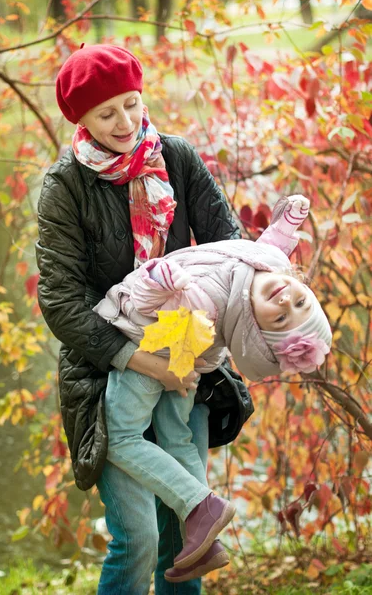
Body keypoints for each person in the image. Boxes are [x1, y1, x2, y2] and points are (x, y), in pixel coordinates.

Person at [35, 42, 250, 595]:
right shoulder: (65, 187)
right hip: (107, 373)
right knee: (137, 542)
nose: (125, 122)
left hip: (187, 360)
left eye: (132, 103)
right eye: (106, 113)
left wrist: (193, 346)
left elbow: (233, 252)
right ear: (79, 118)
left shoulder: (176, 158)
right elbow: (60, 302)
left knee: (186, 542)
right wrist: (146, 363)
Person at [93, 194, 332, 582]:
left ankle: (199, 506)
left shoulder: (209, 303)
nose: (286, 298)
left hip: (149, 348)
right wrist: (288, 225)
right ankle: (203, 536)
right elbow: (270, 249)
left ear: (255, 328)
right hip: (189, 356)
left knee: (120, 437)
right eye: (300, 300)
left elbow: (155, 310)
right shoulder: (263, 271)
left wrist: (156, 282)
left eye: (281, 318)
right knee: (177, 437)